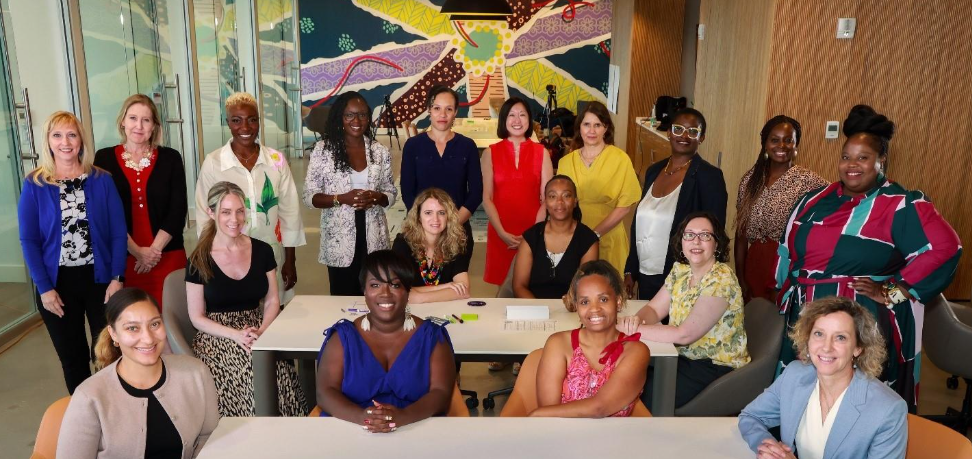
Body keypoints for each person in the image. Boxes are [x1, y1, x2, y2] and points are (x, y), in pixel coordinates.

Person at [775, 105, 961, 411]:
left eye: (863, 157)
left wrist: (893, 292)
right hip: (807, 317)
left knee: (854, 405)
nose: (852, 165)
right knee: (804, 396)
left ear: (880, 159)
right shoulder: (813, 200)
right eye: (846, 156)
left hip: (861, 326)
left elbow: (946, 249)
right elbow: (786, 251)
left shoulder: (900, 203)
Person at [18, 111, 127, 394]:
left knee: (108, 355)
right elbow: (29, 240)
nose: (65, 142)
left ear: (81, 140)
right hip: (57, 285)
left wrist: (117, 278)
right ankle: (85, 413)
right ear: (48, 141)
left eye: (71, 135)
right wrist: (44, 288)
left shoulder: (102, 179)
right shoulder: (34, 184)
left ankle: (113, 411)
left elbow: (118, 233)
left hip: (101, 281)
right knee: (73, 359)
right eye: (57, 135)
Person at [186, 181, 307, 417]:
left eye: (240, 211)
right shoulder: (198, 259)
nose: (235, 219)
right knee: (251, 372)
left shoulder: (262, 250)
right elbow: (196, 317)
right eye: (226, 212)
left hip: (256, 326)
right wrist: (236, 335)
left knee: (276, 371)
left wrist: (261, 331)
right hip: (217, 335)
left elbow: (272, 300)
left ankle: (286, 433)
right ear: (211, 213)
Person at [57, 288, 219, 459]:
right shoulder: (89, 397)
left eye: (154, 324)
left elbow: (209, 437)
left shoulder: (196, 373)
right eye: (133, 328)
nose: (148, 339)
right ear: (114, 334)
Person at [738, 297, 907, 459]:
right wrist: (772, 451)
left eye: (840, 337)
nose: (826, 347)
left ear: (858, 348)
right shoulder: (794, 375)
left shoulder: (887, 409)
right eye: (819, 334)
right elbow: (751, 417)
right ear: (807, 338)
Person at [618, 212, 749, 409]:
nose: (696, 241)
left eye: (705, 235)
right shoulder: (681, 270)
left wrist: (628, 329)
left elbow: (684, 335)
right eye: (689, 235)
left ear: (717, 244)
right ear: (681, 241)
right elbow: (654, 309)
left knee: (641, 392)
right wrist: (634, 322)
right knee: (626, 373)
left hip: (713, 366)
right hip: (680, 357)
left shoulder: (721, 279)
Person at [316, 250, 457, 432]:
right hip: (350, 430)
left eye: (395, 285)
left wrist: (404, 416)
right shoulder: (343, 338)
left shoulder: (432, 337)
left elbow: (441, 394)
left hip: (418, 430)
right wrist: (363, 418)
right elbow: (325, 393)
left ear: (408, 291)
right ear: (364, 291)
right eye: (375, 285)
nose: (385, 293)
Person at [194, 92, 305, 305]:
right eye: (236, 120)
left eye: (252, 120)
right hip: (228, 258)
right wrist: (209, 259)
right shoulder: (214, 163)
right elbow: (203, 215)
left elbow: (290, 212)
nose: (245, 127)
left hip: (272, 255)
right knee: (239, 310)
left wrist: (290, 261)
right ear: (228, 122)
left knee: (274, 308)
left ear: (259, 121)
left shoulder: (276, 160)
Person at [625, 108, 728, 301]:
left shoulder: (709, 177)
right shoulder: (654, 171)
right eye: (678, 129)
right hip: (645, 273)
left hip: (683, 278)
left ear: (701, 138)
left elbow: (715, 233)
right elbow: (640, 222)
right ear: (669, 132)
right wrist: (630, 269)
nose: (684, 136)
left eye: (693, 131)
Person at [94, 94, 188, 305]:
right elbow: (103, 213)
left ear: (154, 126)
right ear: (122, 121)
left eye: (146, 120)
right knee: (129, 318)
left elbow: (178, 210)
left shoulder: (171, 158)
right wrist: (137, 252)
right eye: (133, 118)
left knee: (171, 317)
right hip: (122, 260)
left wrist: (153, 252)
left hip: (167, 255)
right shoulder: (104, 159)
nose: (139, 126)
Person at [303, 91, 397, 295]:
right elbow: (309, 197)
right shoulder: (323, 150)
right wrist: (341, 199)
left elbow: (390, 191)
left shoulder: (379, 151)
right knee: (342, 298)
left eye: (362, 115)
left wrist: (377, 197)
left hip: (374, 236)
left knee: (375, 294)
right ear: (340, 117)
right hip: (339, 239)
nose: (357, 121)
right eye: (350, 115)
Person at [529, 260, 650, 417]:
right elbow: (549, 413)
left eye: (603, 299)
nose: (594, 308)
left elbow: (600, 407)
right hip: (562, 432)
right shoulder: (558, 344)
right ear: (576, 306)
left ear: (618, 302)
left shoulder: (636, 351)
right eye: (585, 302)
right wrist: (541, 415)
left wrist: (536, 414)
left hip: (616, 434)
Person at [734, 115, 826, 303]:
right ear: (765, 144)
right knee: (752, 317)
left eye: (788, 140)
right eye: (775, 140)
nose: (781, 146)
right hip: (754, 265)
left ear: (796, 144)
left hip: (787, 267)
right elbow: (741, 235)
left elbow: (837, 205)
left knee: (779, 318)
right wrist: (740, 279)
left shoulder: (808, 181)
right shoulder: (750, 180)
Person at [558, 101, 641, 276]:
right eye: (587, 124)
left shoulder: (620, 159)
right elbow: (560, 203)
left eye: (598, 125)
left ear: (606, 128)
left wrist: (594, 234)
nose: (592, 131)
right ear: (579, 127)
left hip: (609, 235)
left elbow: (625, 205)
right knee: (577, 286)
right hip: (574, 238)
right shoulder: (566, 162)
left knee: (608, 286)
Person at [400, 85, 482, 256]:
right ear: (429, 110)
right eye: (437, 108)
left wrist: (451, 224)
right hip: (421, 230)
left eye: (448, 109)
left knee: (456, 273)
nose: (442, 114)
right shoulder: (413, 146)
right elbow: (407, 191)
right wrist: (426, 223)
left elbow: (476, 193)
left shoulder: (467, 146)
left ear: (455, 112)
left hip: (458, 229)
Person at [482, 97, 553, 285]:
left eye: (522, 115)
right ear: (503, 120)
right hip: (500, 230)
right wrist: (501, 232)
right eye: (511, 115)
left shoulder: (541, 152)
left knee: (530, 285)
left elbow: (547, 198)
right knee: (502, 290)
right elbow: (487, 198)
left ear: (529, 119)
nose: (517, 120)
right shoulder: (490, 153)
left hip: (533, 230)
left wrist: (532, 235)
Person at [513, 175, 599, 299]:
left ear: (575, 201)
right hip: (533, 307)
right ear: (545, 202)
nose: (559, 202)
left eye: (566, 196)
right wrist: (539, 309)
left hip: (572, 308)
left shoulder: (588, 240)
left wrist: (565, 308)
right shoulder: (531, 237)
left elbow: (584, 289)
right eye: (552, 196)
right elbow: (519, 286)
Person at [392, 188, 472, 304]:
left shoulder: (456, 242)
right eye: (428, 213)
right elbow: (397, 291)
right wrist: (445, 287)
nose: (435, 219)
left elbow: (464, 290)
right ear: (418, 217)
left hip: (446, 311)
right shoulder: (403, 243)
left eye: (441, 213)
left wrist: (418, 296)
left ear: (448, 217)